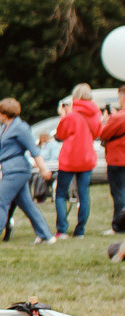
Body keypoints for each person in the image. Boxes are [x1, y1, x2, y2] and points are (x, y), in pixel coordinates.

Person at [0, 98, 54, 247]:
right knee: (27, 204)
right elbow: (1, 149)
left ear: (5, 113)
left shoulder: (21, 128)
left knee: (1, 202)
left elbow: (34, 150)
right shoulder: (5, 127)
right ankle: (46, 235)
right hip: (10, 169)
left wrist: (44, 170)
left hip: (16, 170)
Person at [53, 83, 101, 238]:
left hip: (70, 158)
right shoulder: (96, 114)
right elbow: (97, 133)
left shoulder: (71, 115)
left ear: (75, 97)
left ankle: (62, 229)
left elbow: (60, 134)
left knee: (61, 194)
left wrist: (63, 116)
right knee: (84, 194)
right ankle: (80, 230)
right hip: (87, 158)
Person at [100, 97, 125, 229]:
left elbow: (103, 134)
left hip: (118, 159)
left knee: (119, 194)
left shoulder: (119, 117)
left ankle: (119, 225)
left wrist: (105, 122)